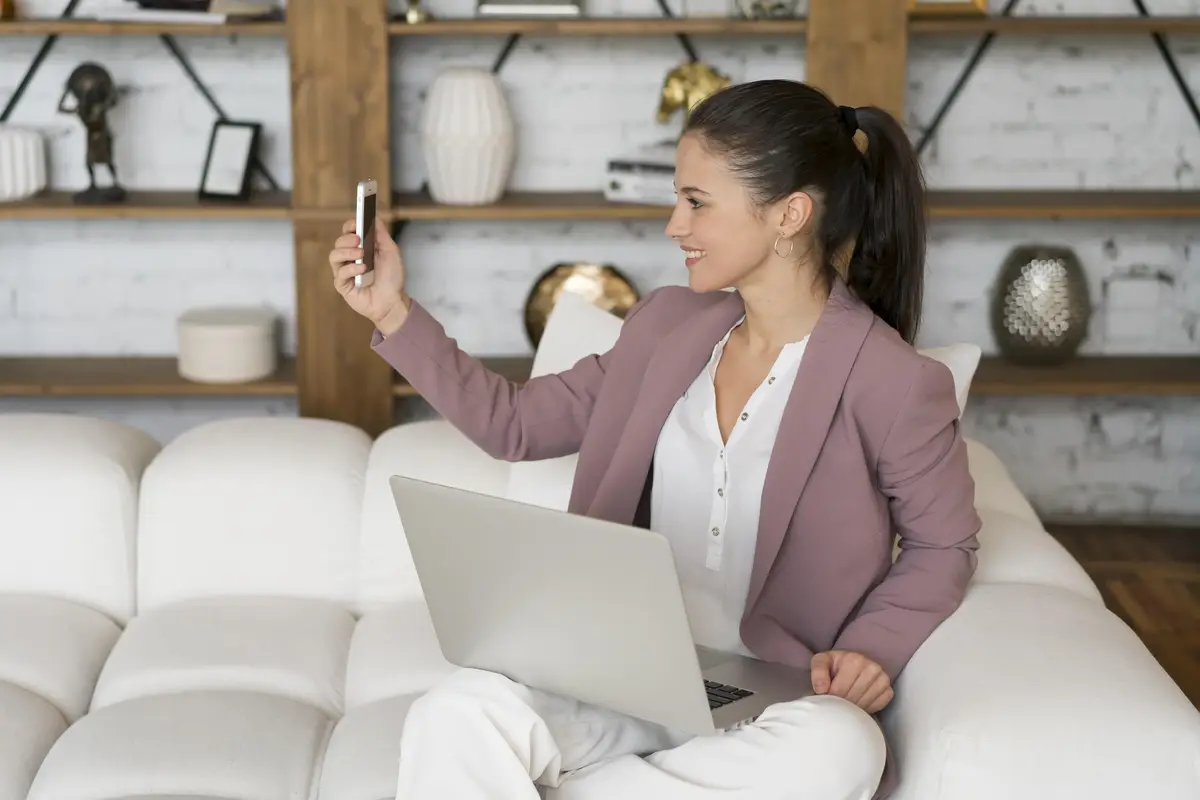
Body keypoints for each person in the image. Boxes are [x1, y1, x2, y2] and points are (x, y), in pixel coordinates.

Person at [328, 78, 982, 800]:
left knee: (841, 749)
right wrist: (390, 309)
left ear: (789, 215)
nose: (675, 225)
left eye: (697, 202)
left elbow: (943, 544)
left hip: (764, 699)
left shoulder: (892, 380)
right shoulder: (666, 327)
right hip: (620, 677)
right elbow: (512, 424)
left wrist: (872, 649)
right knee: (456, 713)